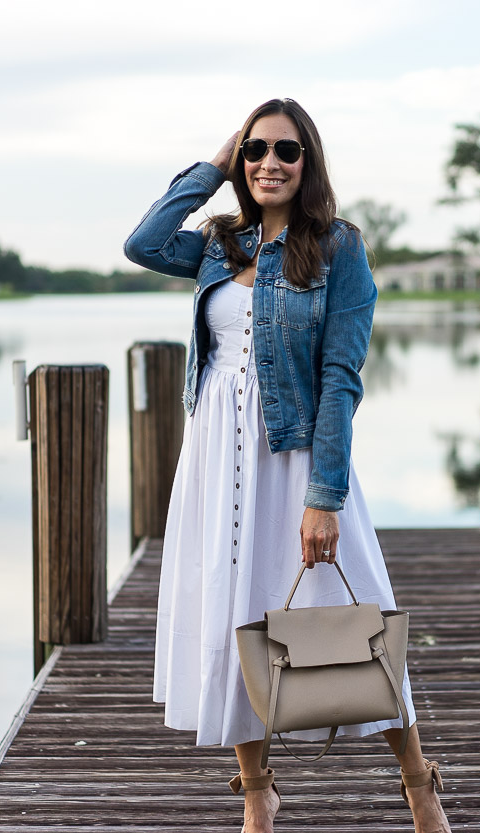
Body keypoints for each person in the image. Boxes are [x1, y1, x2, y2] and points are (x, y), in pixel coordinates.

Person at [124, 98, 452, 833]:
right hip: (216, 456)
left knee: (353, 610)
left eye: (286, 150)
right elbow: (142, 243)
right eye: (255, 150)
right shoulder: (219, 244)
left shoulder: (338, 247)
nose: (269, 162)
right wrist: (211, 163)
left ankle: (418, 781)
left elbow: (341, 374)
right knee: (232, 610)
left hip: (295, 449)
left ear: (310, 163)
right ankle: (255, 791)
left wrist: (325, 494)